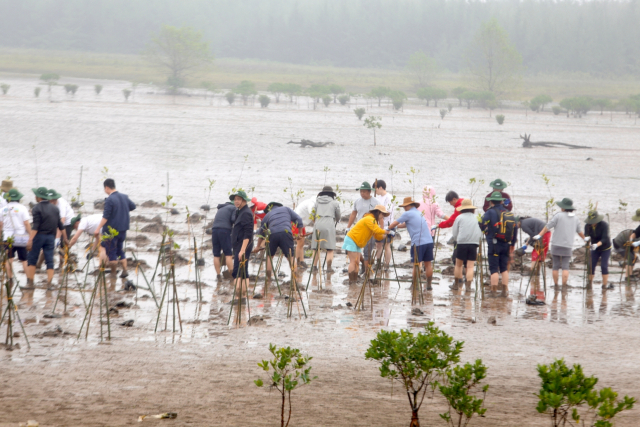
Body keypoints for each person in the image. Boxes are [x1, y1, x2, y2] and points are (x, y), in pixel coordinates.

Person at [534, 198, 587, 288]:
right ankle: (564, 285)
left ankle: (556, 285)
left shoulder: (558, 215)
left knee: (556, 266)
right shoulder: (576, 218)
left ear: (563, 207)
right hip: (568, 245)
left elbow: (548, 227)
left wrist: (539, 235)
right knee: (565, 266)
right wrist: (585, 238)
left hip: (556, 244)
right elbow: (579, 231)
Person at [93, 179, 136, 288]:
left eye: (104, 188)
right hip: (123, 229)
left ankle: (113, 273)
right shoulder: (124, 197)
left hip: (112, 230)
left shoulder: (109, 200)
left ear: (107, 187)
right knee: (120, 249)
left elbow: (105, 217)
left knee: (111, 251)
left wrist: (98, 228)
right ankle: (125, 270)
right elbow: (133, 206)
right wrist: (123, 210)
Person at [388, 197, 435, 290]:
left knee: (416, 265)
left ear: (408, 205)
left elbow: (393, 224)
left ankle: (414, 285)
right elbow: (406, 224)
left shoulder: (407, 213)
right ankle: (429, 285)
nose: (404, 209)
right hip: (429, 241)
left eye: (404, 207)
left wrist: (388, 228)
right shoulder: (419, 213)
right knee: (428, 264)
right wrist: (397, 227)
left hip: (418, 243)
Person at [26, 187, 67, 290]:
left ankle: (30, 283)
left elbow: (36, 226)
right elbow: (60, 225)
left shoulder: (36, 208)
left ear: (39, 197)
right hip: (50, 238)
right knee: (49, 260)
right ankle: (49, 284)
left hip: (39, 236)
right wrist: (65, 238)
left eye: (36, 195)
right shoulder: (55, 208)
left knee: (32, 259)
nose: (35, 197)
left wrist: (30, 239)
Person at [480, 191, 518, 297]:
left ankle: (493, 292)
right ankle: (505, 291)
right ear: (501, 201)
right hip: (506, 243)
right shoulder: (508, 212)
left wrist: (485, 230)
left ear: (491, 202)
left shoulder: (490, 212)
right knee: (504, 269)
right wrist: (512, 244)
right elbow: (515, 228)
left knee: (493, 269)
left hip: (494, 244)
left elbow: (481, 222)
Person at [253, 201, 303, 278]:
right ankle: (295, 278)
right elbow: (298, 219)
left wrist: (258, 246)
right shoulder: (286, 209)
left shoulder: (268, 215)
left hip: (272, 234)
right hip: (286, 233)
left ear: (269, 209)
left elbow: (261, 231)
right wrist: (300, 233)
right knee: (291, 257)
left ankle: (268, 278)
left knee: (269, 256)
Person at [342, 205, 390, 285]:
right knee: (353, 262)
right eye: (382, 215)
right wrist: (387, 231)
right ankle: (352, 281)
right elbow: (377, 230)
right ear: (378, 212)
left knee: (357, 262)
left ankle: (354, 280)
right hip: (352, 239)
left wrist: (387, 235)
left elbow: (377, 235)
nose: (383, 217)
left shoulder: (374, 221)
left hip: (357, 242)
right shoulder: (369, 219)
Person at [346, 182, 379, 274]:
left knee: (367, 251)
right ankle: (363, 265)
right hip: (359, 230)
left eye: (364, 192)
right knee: (356, 250)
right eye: (361, 192)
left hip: (370, 230)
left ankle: (366, 271)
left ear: (369, 192)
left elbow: (379, 216)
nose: (362, 193)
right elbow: (353, 214)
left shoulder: (375, 202)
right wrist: (348, 227)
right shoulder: (357, 201)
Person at [0, 188, 31, 286]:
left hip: (7, 237)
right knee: (24, 259)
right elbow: (26, 223)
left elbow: (1, 225)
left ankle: (10, 279)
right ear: (18, 198)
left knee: (9, 259)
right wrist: (31, 236)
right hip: (21, 236)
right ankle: (29, 280)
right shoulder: (22, 208)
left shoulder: (3, 209)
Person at [449, 199, 481, 291]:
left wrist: (456, 239)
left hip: (461, 243)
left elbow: (455, 233)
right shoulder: (477, 217)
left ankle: (456, 284)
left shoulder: (459, 217)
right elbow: (480, 230)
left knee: (458, 265)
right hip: (474, 243)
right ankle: (468, 287)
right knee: (470, 266)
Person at [516, 216, 549, 300]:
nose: (515, 226)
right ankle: (537, 272)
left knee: (535, 253)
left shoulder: (523, 225)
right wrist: (525, 245)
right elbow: (533, 234)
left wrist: (527, 244)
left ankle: (532, 272)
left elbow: (532, 235)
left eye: (515, 224)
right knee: (540, 254)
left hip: (543, 234)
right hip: (546, 233)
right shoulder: (527, 221)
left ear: (518, 222)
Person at [311, 186, 341, 272]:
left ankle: (314, 267)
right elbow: (338, 216)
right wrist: (336, 220)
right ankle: (328, 268)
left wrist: (316, 223)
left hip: (318, 225)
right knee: (330, 249)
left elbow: (312, 215)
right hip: (329, 225)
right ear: (332, 194)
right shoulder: (335, 203)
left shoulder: (316, 202)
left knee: (316, 248)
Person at [230, 190, 253, 294]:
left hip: (243, 245)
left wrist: (242, 250)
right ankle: (242, 294)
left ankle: (240, 294)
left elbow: (248, 233)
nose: (236, 201)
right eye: (235, 199)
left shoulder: (246, 213)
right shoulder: (240, 212)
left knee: (238, 271)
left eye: (239, 199)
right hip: (239, 245)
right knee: (242, 271)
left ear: (244, 200)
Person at [584, 210, 613, 290]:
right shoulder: (587, 226)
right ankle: (589, 284)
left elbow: (605, 238)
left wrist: (597, 245)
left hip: (605, 247)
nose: (592, 223)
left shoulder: (604, 225)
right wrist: (586, 239)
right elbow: (586, 235)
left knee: (604, 266)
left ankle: (604, 286)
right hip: (594, 248)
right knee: (591, 265)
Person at [434, 191, 465, 263]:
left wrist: (439, 225)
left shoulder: (459, 207)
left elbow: (451, 221)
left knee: (456, 260)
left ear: (454, 199)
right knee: (468, 262)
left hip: (461, 237)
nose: (450, 204)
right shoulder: (464, 204)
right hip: (470, 238)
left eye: (450, 202)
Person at [210, 201, 236, 278]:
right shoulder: (233, 208)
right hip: (224, 230)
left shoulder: (220, 209)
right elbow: (233, 219)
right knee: (228, 254)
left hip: (214, 230)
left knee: (216, 254)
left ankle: (218, 275)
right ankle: (232, 276)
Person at [374, 180, 396, 269]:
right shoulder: (378, 198)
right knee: (378, 245)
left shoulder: (389, 197)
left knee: (387, 245)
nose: (375, 191)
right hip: (379, 225)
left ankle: (386, 265)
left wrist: (379, 214)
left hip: (388, 225)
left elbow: (387, 211)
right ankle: (378, 263)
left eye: (376, 189)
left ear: (380, 188)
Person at [294, 197, 316, 268]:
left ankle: (302, 261)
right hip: (296, 223)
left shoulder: (312, 202)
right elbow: (312, 215)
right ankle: (298, 262)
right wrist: (316, 224)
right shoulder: (311, 204)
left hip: (301, 224)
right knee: (299, 243)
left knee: (302, 243)